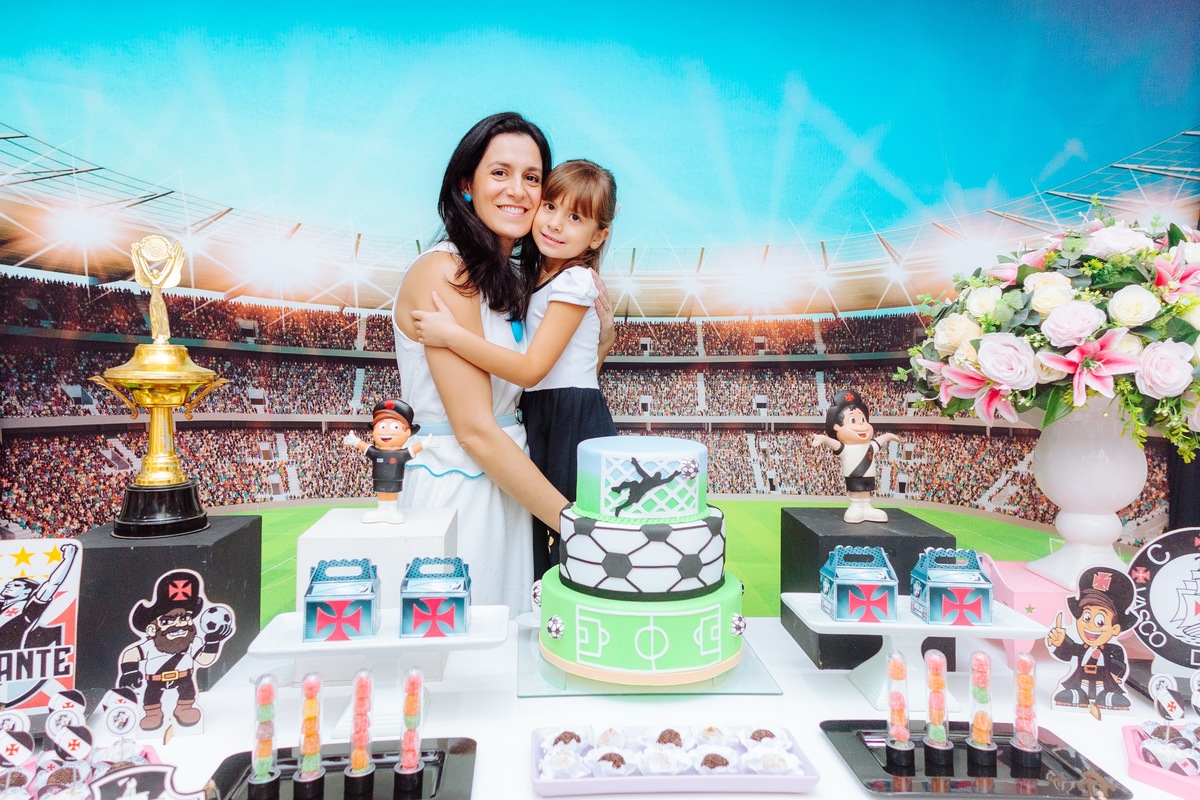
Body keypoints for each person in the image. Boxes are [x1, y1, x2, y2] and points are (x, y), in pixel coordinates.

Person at [392, 112, 570, 614]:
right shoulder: (443, 269)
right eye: (500, 172)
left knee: (512, 653)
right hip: (459, 489)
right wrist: (580, 526)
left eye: (532, 178)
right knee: (463, 660)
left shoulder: (510, 283)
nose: (518, 190)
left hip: (510, 484)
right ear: (466, 185)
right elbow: (472, 428)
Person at [412, 160, 618, 576]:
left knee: (573, 544)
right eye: (550, 207)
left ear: (599, 235)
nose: (556, 224)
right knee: (546, 547)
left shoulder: (575, 281)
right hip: (540, 414)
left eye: (575, 217)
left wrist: (453, 336)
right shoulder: (530, 277)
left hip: (567, 417)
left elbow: (529, 371)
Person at [810, 388, 899, 523]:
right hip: (854, 476)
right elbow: (834, 444)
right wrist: (823, 439)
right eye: (853, 420)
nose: (861, 424)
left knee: (866, 492)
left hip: (868, 475)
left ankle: (867, 507)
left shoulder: (870, 446)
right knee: (856, 493)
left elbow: (880, 441)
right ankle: (856, 506)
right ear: (837, 427)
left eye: (862, 419)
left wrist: (889, 436)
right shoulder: (846, 449)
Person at [342, 398, 425, 524]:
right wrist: (355, 441)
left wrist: (425, 444)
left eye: (395, 426)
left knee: (392, 492)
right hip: (379, 478)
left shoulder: (400, 454)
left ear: (407, 432)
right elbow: (366, 447)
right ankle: (381, 510)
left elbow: (413, 450)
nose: (386, 431)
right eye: (381, 426)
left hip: (394, 479)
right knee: (381, 492)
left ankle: (392, 509)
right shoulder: (376, 452)